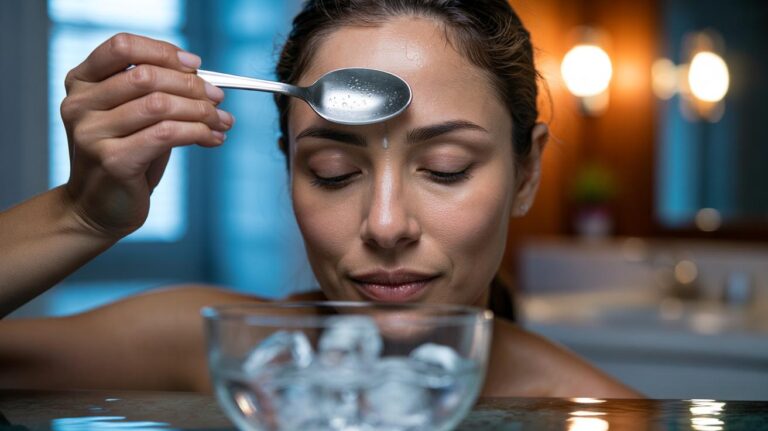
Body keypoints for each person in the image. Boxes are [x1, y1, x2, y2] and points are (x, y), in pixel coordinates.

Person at [0, 0, 641, 397]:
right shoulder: (218, 351)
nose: (386, 225)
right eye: (334, 171)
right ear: (289, 170)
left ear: (525, 174)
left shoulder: (600, 415)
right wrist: (78, 215)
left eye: (445, 169)